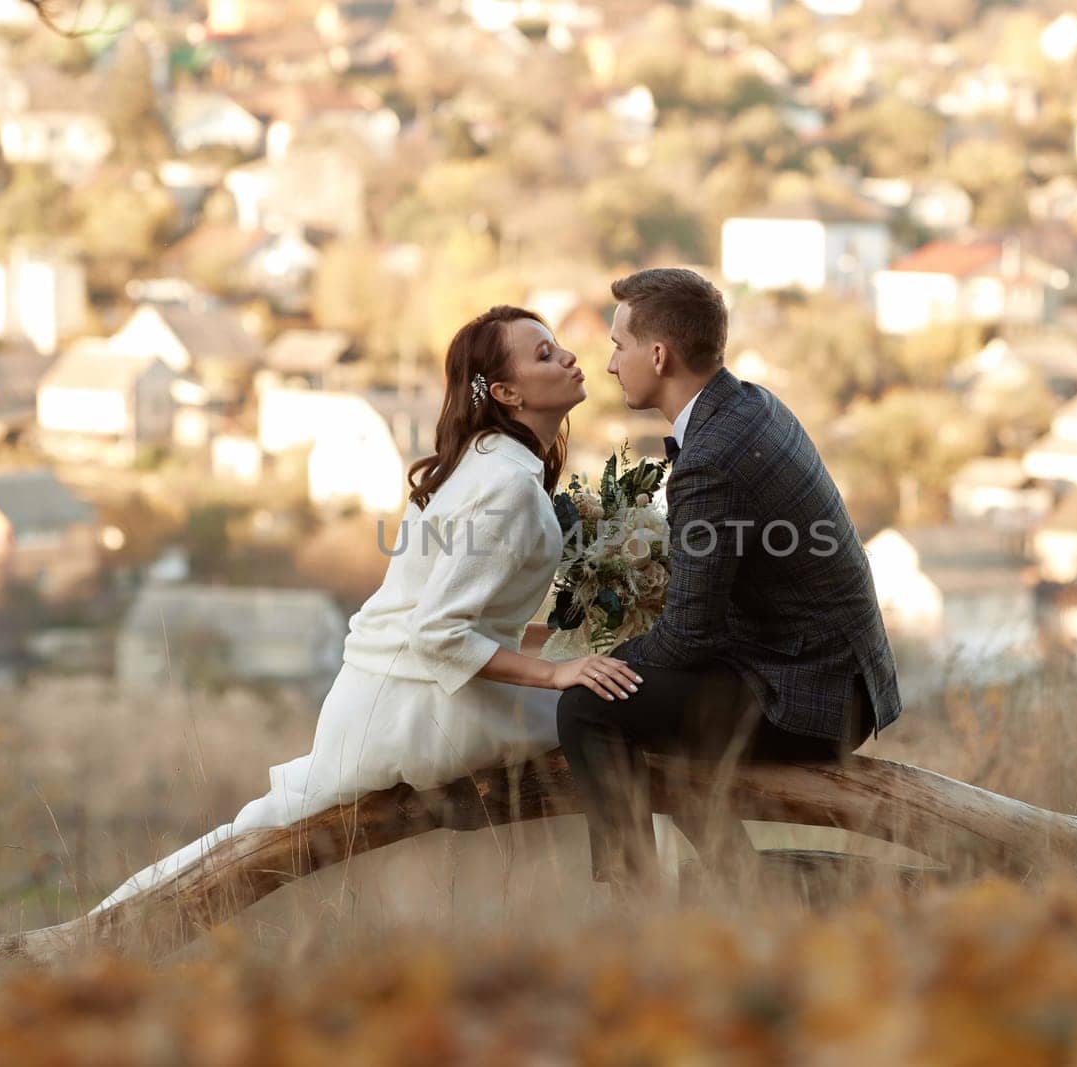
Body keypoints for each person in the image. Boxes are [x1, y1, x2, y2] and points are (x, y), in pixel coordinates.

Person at [92, 306, 642, 912]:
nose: (567, 356)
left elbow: (479, 621)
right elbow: (439, 633)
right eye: (543, 353)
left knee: (603, 699)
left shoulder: (489, 460)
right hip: (424, 706)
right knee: (607, 720)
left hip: (388, 693)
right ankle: (631, 896)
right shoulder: (505, 484)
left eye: (558, 346)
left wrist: (576, 640)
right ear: (506, 392)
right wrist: (559, 673)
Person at [555, 267, 903, 888]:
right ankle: (737, 880)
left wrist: (600, 663)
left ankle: (636, 901)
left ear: (658, 355)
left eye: (618, 345)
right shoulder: (750, 405)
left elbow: (689, 636)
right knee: (637, 697)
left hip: (811, 698)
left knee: (588, 706)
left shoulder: (714, 458)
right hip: (829, 672)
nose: (610, 364)